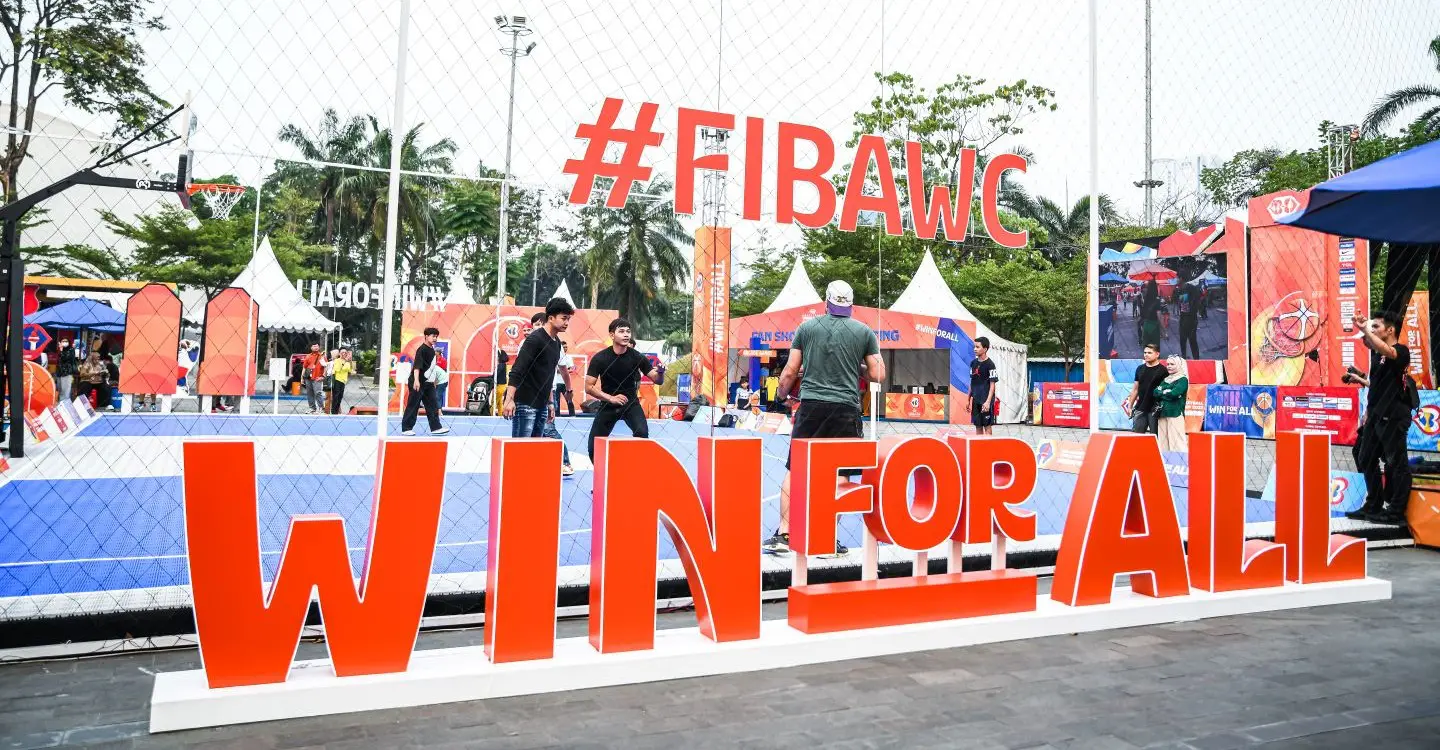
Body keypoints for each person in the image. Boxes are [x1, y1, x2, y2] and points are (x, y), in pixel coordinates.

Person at [764, 280, 885, 557]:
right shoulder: (864, 332)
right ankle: (827, 537)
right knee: (839, 473)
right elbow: (879, 374)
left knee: (795, 468)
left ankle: (785, 532)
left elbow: (790, 371)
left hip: (812, 407)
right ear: (851, 306)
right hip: (845, 409)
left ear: (826, 302)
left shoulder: (807, 328)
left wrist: (781, 396)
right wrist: (857, 366)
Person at [1347, 311, 1413, 525]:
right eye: (1372, 327)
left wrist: (1365, 328)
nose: (1371, 331)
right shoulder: (1377, 356)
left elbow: (1385, 348)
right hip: (1376, 415)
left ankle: (1395, 512)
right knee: (1364, 456)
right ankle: (1373, 504)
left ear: (1390, 330)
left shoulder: (1401, 351)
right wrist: (1367, 413)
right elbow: (1375, 386)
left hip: (1394, 415)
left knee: (1396, 462)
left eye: (1376, 327)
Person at [585, 317, 665, 459]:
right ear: (612, 335)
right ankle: (604, 475)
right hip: (608, 404)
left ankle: (633, 468)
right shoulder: (600, 358)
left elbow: (657, 380)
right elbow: (588, 387)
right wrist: (611, 398)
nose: (626, 334)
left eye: (628, 331)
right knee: (593, 447)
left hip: (631, 404)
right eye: (621, 331)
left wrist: (660, 372)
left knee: (642, 433)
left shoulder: (637, 357)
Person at [505, 299, 574, 439]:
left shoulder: (557, 343)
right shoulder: (534, 339)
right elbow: (517, 370)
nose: (567, 322)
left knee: (534, 451)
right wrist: (509, 399)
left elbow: (548, 376)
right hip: (525, 403)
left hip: (542, 405)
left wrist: (550, 403)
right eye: (564, 318)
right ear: (551, 318)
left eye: (569, 319)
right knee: (520, 452)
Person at [401, 327, 450, 436]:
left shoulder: (432, 350)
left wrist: (432, 381)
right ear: (426, 336)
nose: (435, 338)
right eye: (433, 336)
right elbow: (417, 366)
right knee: (413, 405)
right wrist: (416, 381)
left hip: (428, 383)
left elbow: (431, 368)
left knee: (433, 405)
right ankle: (406, 428)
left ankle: (436, 428)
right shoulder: (422, 349)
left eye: (436, 336)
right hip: (418, 382)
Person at [1123, 343, 1166, 434]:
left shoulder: (1163, 371)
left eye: (1149, 353)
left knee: (1156, 438)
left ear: (1157, 354)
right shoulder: (1140, 369)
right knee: (1137, 438)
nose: (1146, 354)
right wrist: (1130, 406)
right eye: (1145, 352)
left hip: (1155, 409)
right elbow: (1135, 389)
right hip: (1140, 408)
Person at [1152, 355, 1189, 453]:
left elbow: (1174, 393)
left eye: (1172, 364)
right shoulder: (1166, 379)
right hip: (1162, 413)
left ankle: (1181, 464)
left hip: (1175, 413)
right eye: (1168, 364)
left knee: (1177, 442)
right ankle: (1166, 464)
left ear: (1179, 365)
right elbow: (1155, 392)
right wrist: (1165, 392)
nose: (1169, 366)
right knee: (1163, 443)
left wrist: (1163, 392)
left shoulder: (1182, 380)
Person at [969, 337, 999, 435]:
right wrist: (968, 399)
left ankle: (988, 448)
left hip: (986, 401)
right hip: (976, 400)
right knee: (978, 426)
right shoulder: (973, 363)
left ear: (985, 349)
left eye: (977, 347)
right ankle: (979, 448)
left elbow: (992, 384)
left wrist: (988, 402)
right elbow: (971, 382)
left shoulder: (990, 365)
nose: (975, 349)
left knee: (987, 426)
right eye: (974, 347)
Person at [1176, 281, 1201, 360]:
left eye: (1177, 278)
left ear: (1181, 278)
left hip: (1189, 319)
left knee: (1190, 341)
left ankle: (1194, 360)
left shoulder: (1188, 289)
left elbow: (1187, 307)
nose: (1176, 280)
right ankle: (1188, 359)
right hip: (1186, 318)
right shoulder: (1183, 289)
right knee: (1186, 341)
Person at [301, 344, 327, 415]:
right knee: (310, 393)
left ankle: (321, 409)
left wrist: (323, 376)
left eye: (317, 346)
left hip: (317, 378)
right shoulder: (308, 356)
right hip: (308, 378)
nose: (315, 347)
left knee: (318, 393)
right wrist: (302, 378)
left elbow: (326, 367)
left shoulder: (322, 356)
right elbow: (304, 367)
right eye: (314, 346)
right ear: (311, 347)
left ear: (319, 347)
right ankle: (312, 408)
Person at [553, 341, 576, 417]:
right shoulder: (555, 356)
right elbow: (555, 369)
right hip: (556, 382)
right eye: (563, 347)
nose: (565, 348)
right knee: (556, 401)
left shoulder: (569, 357)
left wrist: (563, 370)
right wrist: (565, 370)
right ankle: (557, 416)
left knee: (569, 400)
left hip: (565, 383)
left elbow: (572, 369)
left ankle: (572, 415)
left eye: (566, 347)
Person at [1139, 280, 1162, 351]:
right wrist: (1164, 332)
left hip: (1146, 326)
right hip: (1154, 327)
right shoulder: (1157, 300)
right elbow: (1159, 317)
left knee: (1147, 350)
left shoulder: (1146, 300)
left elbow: (1142, 314)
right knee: (1155, 350)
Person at [330, 348, 353, 415]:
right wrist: (345, 361)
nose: (344, 354)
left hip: (343, 381)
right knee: (335, 397)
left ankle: (336, 411)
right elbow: (337, 369)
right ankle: (333, 412)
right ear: (339, 354)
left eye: (345, 352)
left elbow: (350, 370)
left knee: (340, 397)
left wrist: (350, 362)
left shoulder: (347, 362)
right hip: (337, 380)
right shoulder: (337, 361)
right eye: (342, 352)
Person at [55, 338, 77, 403]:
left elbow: (66, 358)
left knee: (66, 390)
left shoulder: (71, 350)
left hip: (67, 372)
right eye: (63, 341)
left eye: (66, 341)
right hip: (59, 372)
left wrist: (61, 350)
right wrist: (60, 350)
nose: (64, 342)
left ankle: (64, 404)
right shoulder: (60, 350)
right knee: (60, 389)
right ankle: (61, 403)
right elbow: (59, 361)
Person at [492, 348, 509, 416]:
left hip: (500, 387)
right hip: (503, 386)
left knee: (494, 402)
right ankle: (500, 414)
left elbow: (496, 374)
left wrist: (491, 377)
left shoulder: (501, 365)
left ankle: (490, 414)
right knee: (499, 403)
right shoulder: (504, 365)